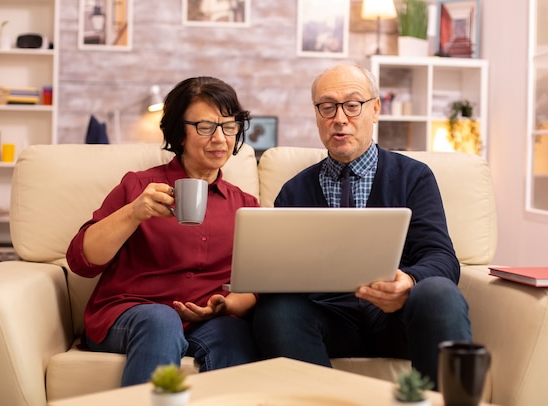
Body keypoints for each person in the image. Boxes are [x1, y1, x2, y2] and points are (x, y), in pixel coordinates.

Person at [252, 64, 472, 388]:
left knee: (439, 291)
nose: (339, 118)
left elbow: (442, 258)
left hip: (398, 319)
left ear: (375, 108)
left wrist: (408, 283)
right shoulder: (293, 192)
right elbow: (279, 274)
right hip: (327, 322)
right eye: (327, 106)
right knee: (276, 311)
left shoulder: (415, 177)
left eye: (352, 105)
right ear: (316, 114)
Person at [66, 76, 259, 386]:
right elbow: (81, 262)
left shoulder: (246, 205)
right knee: (161, 319)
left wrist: (226, 305)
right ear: (179, 133)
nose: (220, 139)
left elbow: (257, 284)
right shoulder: (139, 187)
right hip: (131, 314)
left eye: (229, 126)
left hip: (206, 322)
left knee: (235, 332)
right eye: (205, 127)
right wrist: (133, 213)